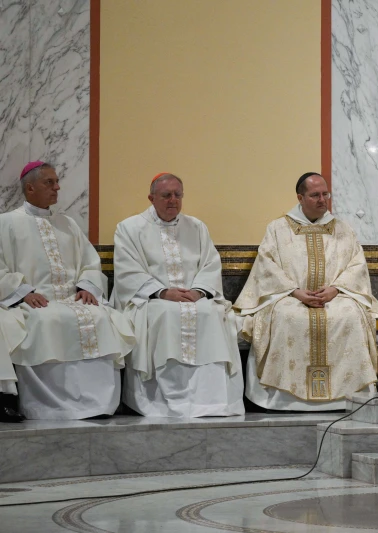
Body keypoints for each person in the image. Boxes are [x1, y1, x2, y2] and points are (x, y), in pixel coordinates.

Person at [234, 172, 378, 410]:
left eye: (325, 194)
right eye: (315, 195)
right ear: (300, 197)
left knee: (350, 315)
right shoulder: (278, 229)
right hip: (290, 297)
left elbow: (356, 265)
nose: (322, 200)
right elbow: (267, 265)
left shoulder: (343, 229)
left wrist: (336, 289)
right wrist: (294, 291)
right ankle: (285, 399)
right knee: (287, 316)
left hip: (337, 296)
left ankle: (348, 394)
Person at [0, 161, 135, 419]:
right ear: (30, 188)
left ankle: (99, 405)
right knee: (46, 320)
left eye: (56, 181)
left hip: (73, 299)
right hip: (34, 303)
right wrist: (23, 292)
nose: (57, 187)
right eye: (49, 182)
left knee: (100, 317)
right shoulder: (5, 223)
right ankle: (48, 407)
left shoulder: (67, 224)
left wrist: (87, 286)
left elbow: (90, 262)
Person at [112, 173, 244, 417]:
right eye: (166, 195)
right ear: (151, 198)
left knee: (212, 313)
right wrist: (163, 292)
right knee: (164, 314)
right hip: (154, 301)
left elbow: (210, 264)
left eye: (177, 195)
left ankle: (210, 401)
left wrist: (199, 291)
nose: (173, 200)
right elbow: (127, 271)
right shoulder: (130, 228)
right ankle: (162, 403)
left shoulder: (196, 227)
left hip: (195, 298)